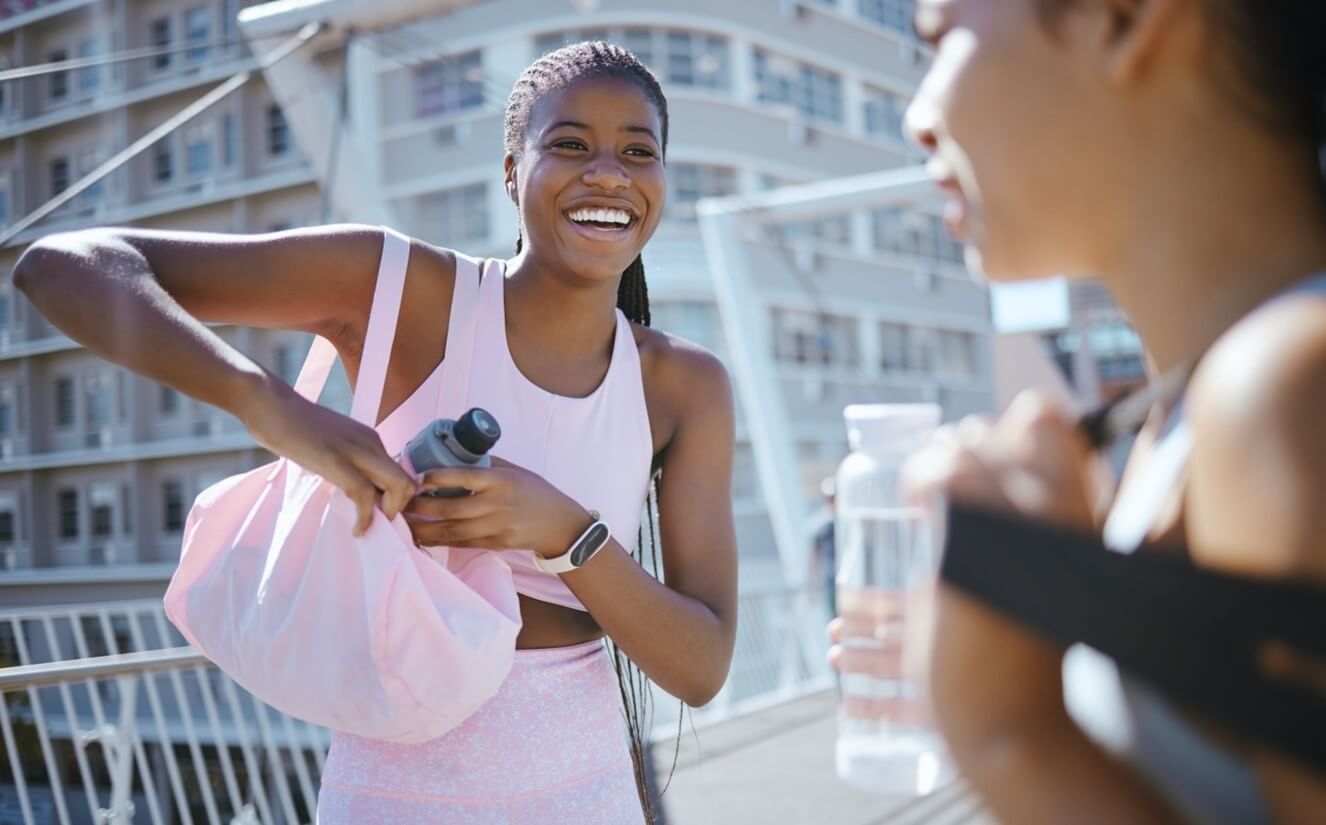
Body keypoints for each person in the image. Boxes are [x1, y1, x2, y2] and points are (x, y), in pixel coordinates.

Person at [14, 42, 739, 825]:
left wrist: (565, 529)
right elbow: (62, 266)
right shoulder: (399, 286)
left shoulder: (682, 383)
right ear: (509, 171)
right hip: (397, 783)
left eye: (640, 151)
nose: (607, 172)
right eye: (569, 144)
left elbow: (700, 668)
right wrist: (274, 409)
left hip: (586, 782)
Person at [829, 1, 1326, 823]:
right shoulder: (1191, 413)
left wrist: (1009, 727)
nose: (917, 119)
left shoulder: (1288, 392)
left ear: (1123, 19)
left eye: (943, 36)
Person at [809, 476, 838, 618]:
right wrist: (813, 585)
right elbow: (814, 556)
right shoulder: (820, 524)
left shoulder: (847, 521)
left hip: (847, 582)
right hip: (830, 582)